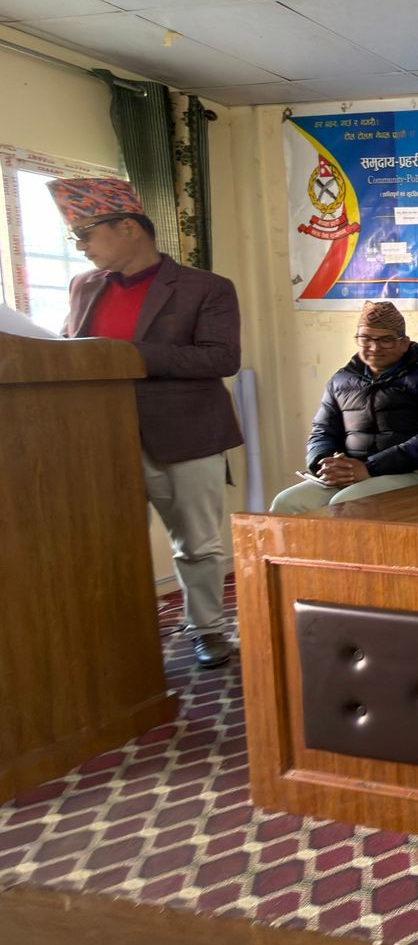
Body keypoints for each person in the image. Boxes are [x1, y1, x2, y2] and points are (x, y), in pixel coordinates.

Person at [55, 178, 242, 669]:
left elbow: (221, 358)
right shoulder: (83, 287)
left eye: (86, 234)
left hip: (186, 434)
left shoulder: (207, 287)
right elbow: (69, 348)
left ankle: (207, 629)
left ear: (128, 227)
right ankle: (125, 633)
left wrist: (123, 355)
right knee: (111, 544)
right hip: (103, 436)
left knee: (196, 543)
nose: (81, 247)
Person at [269, 302, 418, 513]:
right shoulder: (341, 380)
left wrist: (370, 467)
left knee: (347, 503)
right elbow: (322, 431)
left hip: (410, 472)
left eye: (385, 340)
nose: (374, 348)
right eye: (366, 339)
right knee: (286, 503)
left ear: (404, 343)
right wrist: (324, 462)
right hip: (351, 472)